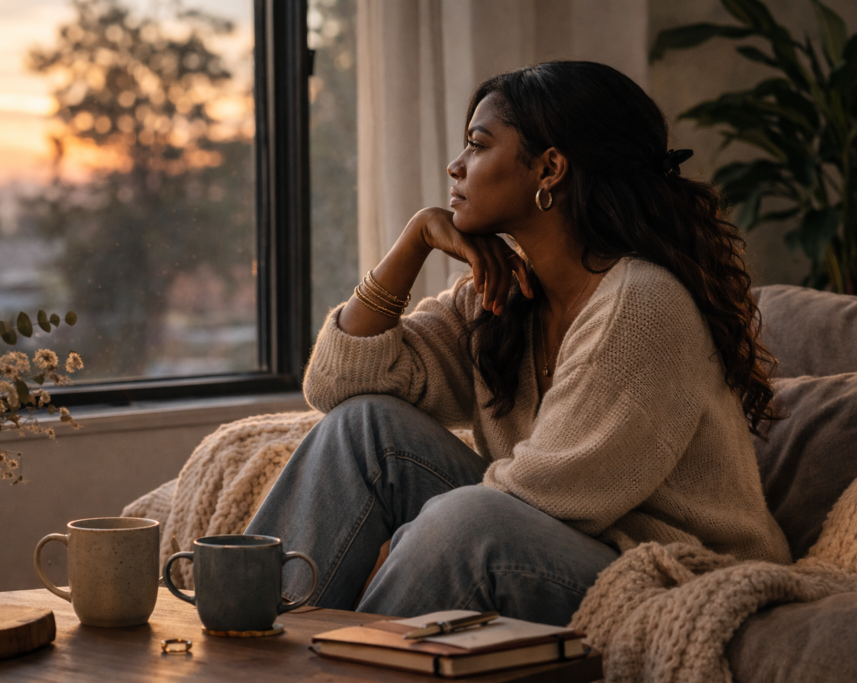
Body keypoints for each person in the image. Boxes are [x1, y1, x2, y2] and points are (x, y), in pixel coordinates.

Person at [246, 61, 791, 626]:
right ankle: (249, 644)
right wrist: (414, 240)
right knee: (362, 428)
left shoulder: (641, 303)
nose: (455, 166)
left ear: (549, 168)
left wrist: (422, 531)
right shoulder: (505, 297)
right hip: (560, 539)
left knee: (467, 524)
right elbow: (336, 385)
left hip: (673, 575)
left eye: (477, 146)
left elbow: (552, 496)